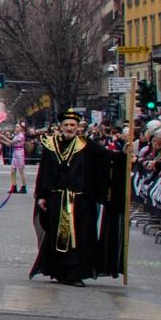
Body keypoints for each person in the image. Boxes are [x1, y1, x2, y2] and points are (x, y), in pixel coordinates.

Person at [31, 110, 100, 286]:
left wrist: (126, 153)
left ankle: (75, 273)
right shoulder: (50, 145)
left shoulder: (86, 145)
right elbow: (43, 171)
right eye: (66, 125)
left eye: (73, 125)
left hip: (80, 201)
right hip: (56, 199)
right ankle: (60, 271)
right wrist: (41, 195)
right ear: (61, 127)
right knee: (58, 236)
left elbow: (107, 159)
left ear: (78, 128)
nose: (69, 128)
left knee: (78, 237)